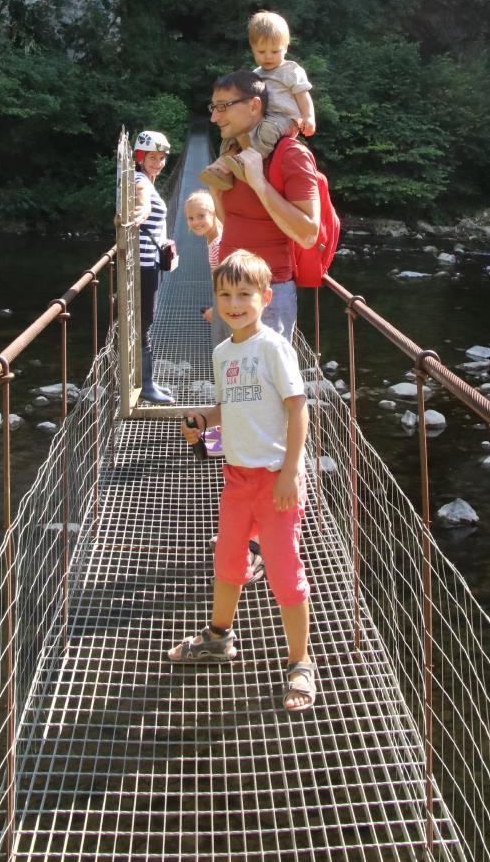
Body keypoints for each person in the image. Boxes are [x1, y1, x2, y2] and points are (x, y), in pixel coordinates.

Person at [167, 250, 316, 713]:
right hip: (236, 477)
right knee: (228, 560)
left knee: (285, 574)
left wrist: (291, 471)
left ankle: (301, 663)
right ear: (215, 299)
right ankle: (218, 637)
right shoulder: (222, 352)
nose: (234, 303)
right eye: (225, 295)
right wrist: (201, 418)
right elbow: (229, 407)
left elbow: (298, 409)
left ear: (266, 298)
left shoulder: (274, 347)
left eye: (244, 294)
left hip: (275, 481)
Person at [208, 70, 320, 344]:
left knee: (267, 385)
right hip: (226, 290)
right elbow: (229, 221)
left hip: (267, 295)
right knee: (228, 382)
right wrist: (215, 190)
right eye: (213, 108)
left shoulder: (292, 155)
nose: (214, 117)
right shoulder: (230, 155)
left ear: (254, 105)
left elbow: (309, 234)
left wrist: (259, 184)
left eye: (223, 107)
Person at [200, 10, 315, 191]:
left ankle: (249, 160)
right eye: (261, 51)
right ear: (252, 49)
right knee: (235, 132)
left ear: (286, 47)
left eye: (275, 51)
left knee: (267, 129)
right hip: (263, 117)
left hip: (284, 119)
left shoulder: (291, 70)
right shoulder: (256, 74)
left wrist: (308, 117)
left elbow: (303, 95)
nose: (268, 56)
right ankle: (223, 166)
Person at [132, 128, 176, 405]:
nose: (158, 163)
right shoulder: (139, 182)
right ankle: (145, 385)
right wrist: (140, 211)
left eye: (161, 158)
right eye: (152, 157)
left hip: (149, 264)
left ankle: (146, 381)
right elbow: (142, 204)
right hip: (144, 267)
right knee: (144, 324)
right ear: (139, 157)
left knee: (142, 323)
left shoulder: (145, 179)